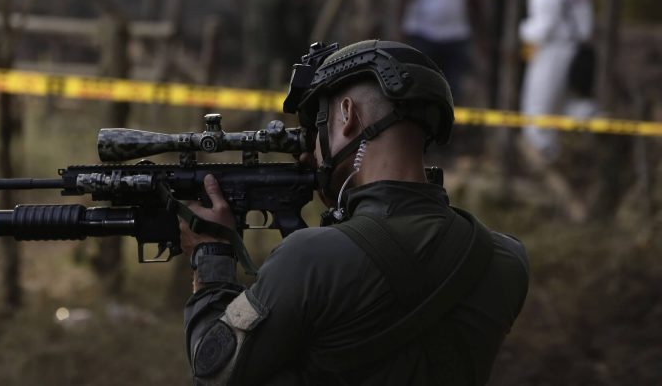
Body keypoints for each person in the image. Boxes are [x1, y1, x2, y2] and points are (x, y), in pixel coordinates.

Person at [180, 39, 529, 385]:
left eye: (316, 129)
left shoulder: (308, 259)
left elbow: (214, 369)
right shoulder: (505, 261)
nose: (309, 154)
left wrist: (211, 255)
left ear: (348, 115)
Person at [516, 0, 596, 164]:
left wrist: (523, 30)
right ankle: (592, 131)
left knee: (537, 107)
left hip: (553, 50)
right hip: (579, 48)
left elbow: (543, 27)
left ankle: (546, 156)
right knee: (568, 101)